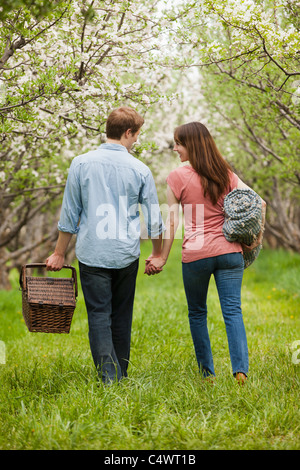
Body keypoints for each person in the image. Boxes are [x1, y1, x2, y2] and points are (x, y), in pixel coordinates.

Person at [46, 106, 164, 384]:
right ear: (127, 133)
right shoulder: (141, 169)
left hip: (92, 252)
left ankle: (108, 378)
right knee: (122, 315)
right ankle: (120, 374)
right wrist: (157, 254)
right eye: (136, 135)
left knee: (99, 314)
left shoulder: (81, 163)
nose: (136, 140)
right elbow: (155, 219)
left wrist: (59, 253)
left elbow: (69, 215)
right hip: (126, 254)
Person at [145, 121, 266, 384]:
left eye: (178, 143)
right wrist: (254, 242)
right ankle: (240, 372)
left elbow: (173, 222)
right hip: (229, 250)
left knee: (197, 312)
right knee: (233, 311)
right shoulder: (224, 172)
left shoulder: (177, 176)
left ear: (190, 144)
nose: (175, 148)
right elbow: (260, 202)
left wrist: (162, 257)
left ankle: (208, 375)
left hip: (197, 254)